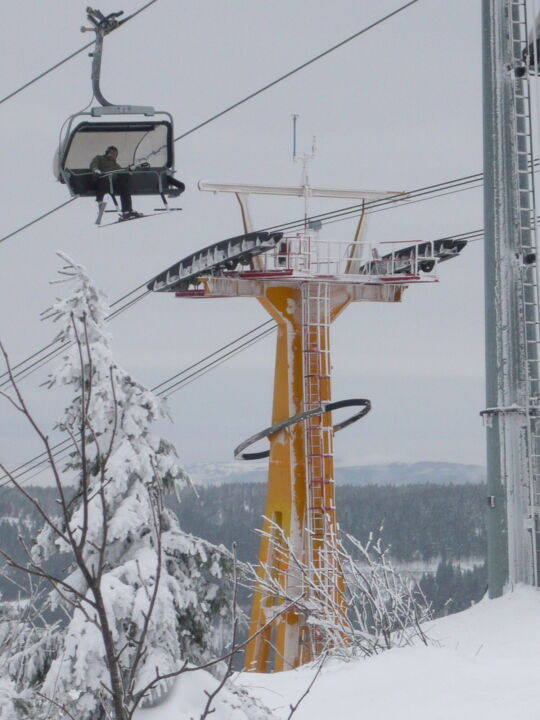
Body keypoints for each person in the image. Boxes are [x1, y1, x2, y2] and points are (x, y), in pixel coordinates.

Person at [90, 146, 141, 219]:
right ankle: (100, 205)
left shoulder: (115, 164)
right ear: (107, 153)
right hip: (102, 179)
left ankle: (127, 211)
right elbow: (93, 165)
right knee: (104, 181)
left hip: (113, 183)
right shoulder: (100, 158)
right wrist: (96, 170)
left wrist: (129, 170)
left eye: (115, 154)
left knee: (124, 188)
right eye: (111, 153)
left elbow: (122, 171)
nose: (113, 155)